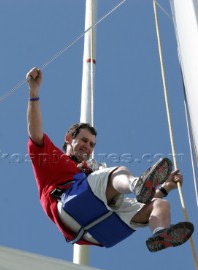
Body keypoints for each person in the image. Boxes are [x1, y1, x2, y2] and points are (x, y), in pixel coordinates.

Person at [26, 67, 194, 252]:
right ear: (68, 138)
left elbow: (139, 203)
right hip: (70, 205)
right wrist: (34, 93)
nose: (88, 147)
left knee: (159, 204)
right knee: (117, 172)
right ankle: (136, 183)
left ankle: (160, 233)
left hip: (99, 232)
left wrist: (165, 187)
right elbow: (35, 132)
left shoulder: (93, 172)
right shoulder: (53, 158)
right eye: (84, 140)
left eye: (91, 144)